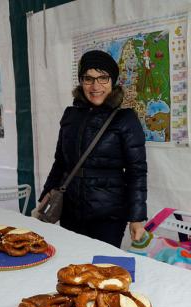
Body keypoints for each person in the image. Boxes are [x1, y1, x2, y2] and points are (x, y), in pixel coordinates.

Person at [37, 50, 147, 248]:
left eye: (103, 78)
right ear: (81, 82)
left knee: (100, 268)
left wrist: (136, 218)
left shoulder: (126, 119)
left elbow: (136, 171)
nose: (95, 86)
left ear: (112, 81)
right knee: (69, 264)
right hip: (70, 209)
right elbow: (60, 161)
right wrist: (47, 194)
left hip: (108, 215)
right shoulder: (70, 115)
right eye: (89, 79)